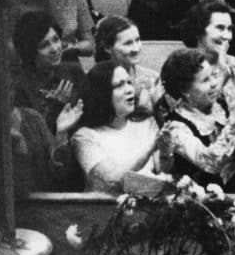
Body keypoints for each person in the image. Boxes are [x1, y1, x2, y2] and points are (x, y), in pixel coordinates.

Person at [157, 48, 235, 187]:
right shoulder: (176, 127)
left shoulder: (222, 105)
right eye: (205, 80)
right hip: (207, 198)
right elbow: (211, 163)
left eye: (213, 75)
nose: (214, 83)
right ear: (185, 91)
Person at [72, 61, 168, 193]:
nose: (129, 90)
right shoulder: (84, 137)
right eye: (119, 85)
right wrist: (152, 146)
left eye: (129, 82)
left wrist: (166, 151)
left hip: (150, 203)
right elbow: (113, 180)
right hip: (106, 209)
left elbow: (162, 169)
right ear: (102, 93)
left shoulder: (147, 122)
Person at [11, 11, 86, 134]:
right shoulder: (21, 88)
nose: (55, 48)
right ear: (30, 52)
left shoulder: (73, 71)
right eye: (44, 45)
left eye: (56, 40)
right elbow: (34, 138)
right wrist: (55, 107)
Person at [95, 15, 163, 119]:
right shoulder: (97, 82)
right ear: (107, 47)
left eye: (137, 40)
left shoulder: (153, 77)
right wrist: (142, 106)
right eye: (128, 43)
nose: (136, 48)